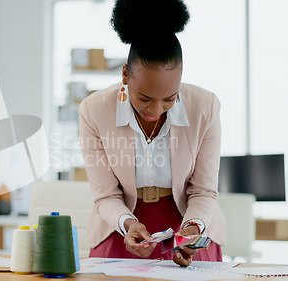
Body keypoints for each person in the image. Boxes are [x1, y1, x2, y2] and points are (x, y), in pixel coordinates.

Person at [78, 0, 226, 267]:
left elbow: (204, 190)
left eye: (170, 98)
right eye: (144, 98)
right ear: (125, 75)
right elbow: (106, 195)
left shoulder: (205, 107)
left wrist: (192, 229)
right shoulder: (94, 110)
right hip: (122, 225)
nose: (156, 110)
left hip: (188, 220)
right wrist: (128, 224)